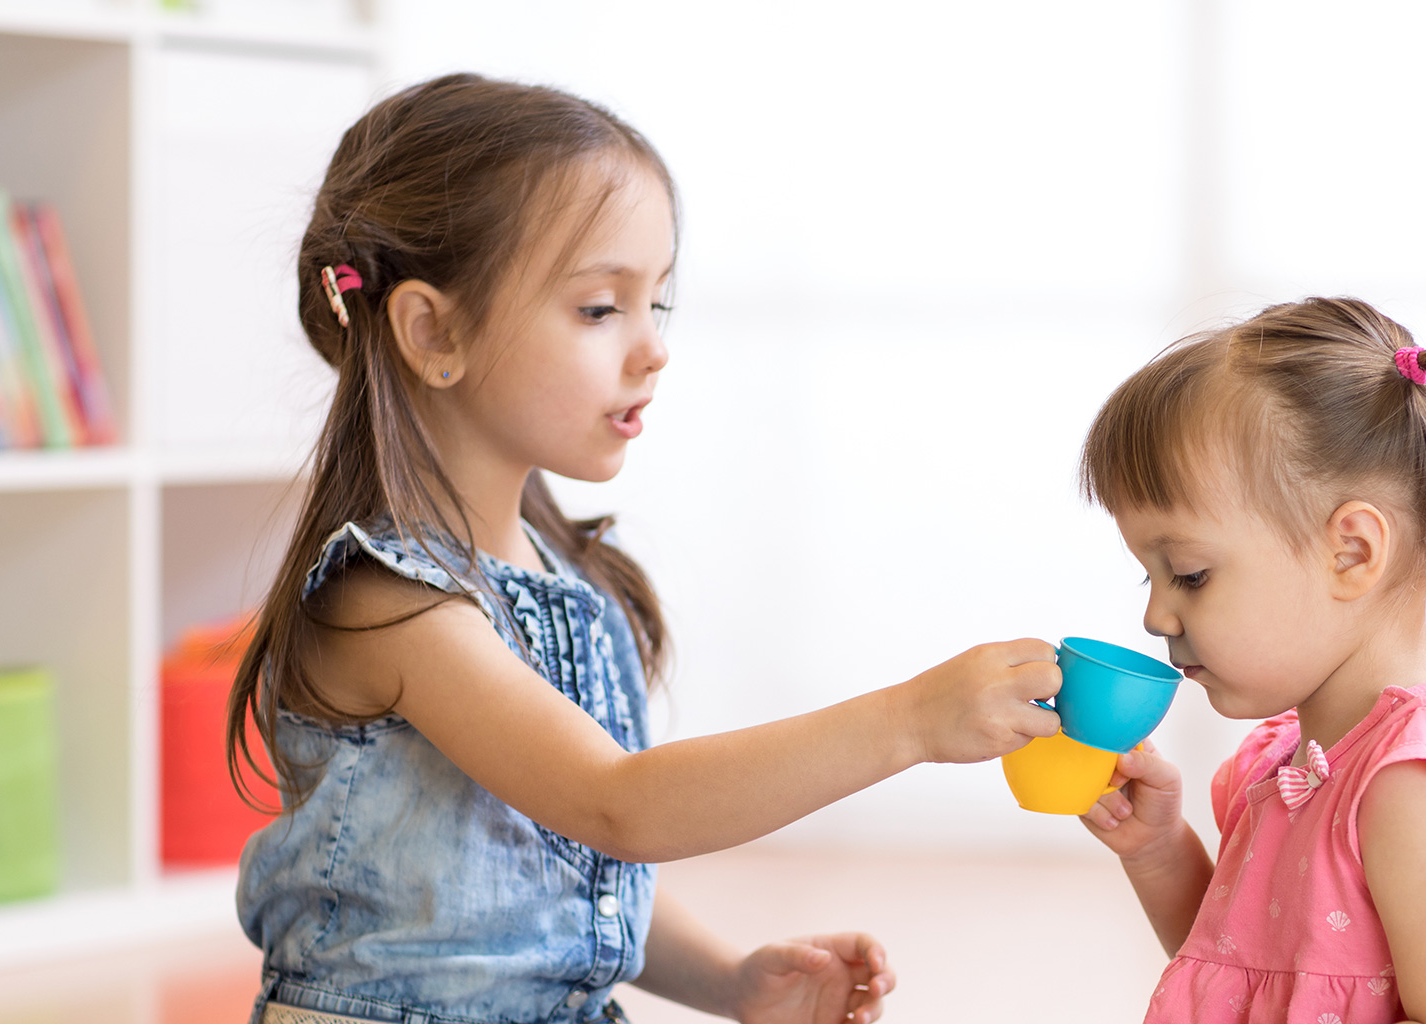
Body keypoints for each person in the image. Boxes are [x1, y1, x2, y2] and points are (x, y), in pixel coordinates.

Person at [227, 74, 1061, 1024]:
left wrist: (731, 982)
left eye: (655, 305)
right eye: (598, 309)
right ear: (433, 330)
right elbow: (617, 805)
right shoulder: (389, 603)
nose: (652, 348)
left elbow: (570, 869)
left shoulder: (567, 575)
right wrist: (910, 721)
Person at [1077, 298, 1426, 1023]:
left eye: (1189, 574)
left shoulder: (1417, 790)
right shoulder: (1289, 763)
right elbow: (1247, 968)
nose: (1156, 616)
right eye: (1150, 577)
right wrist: (1159, 850)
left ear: (1351, 553)